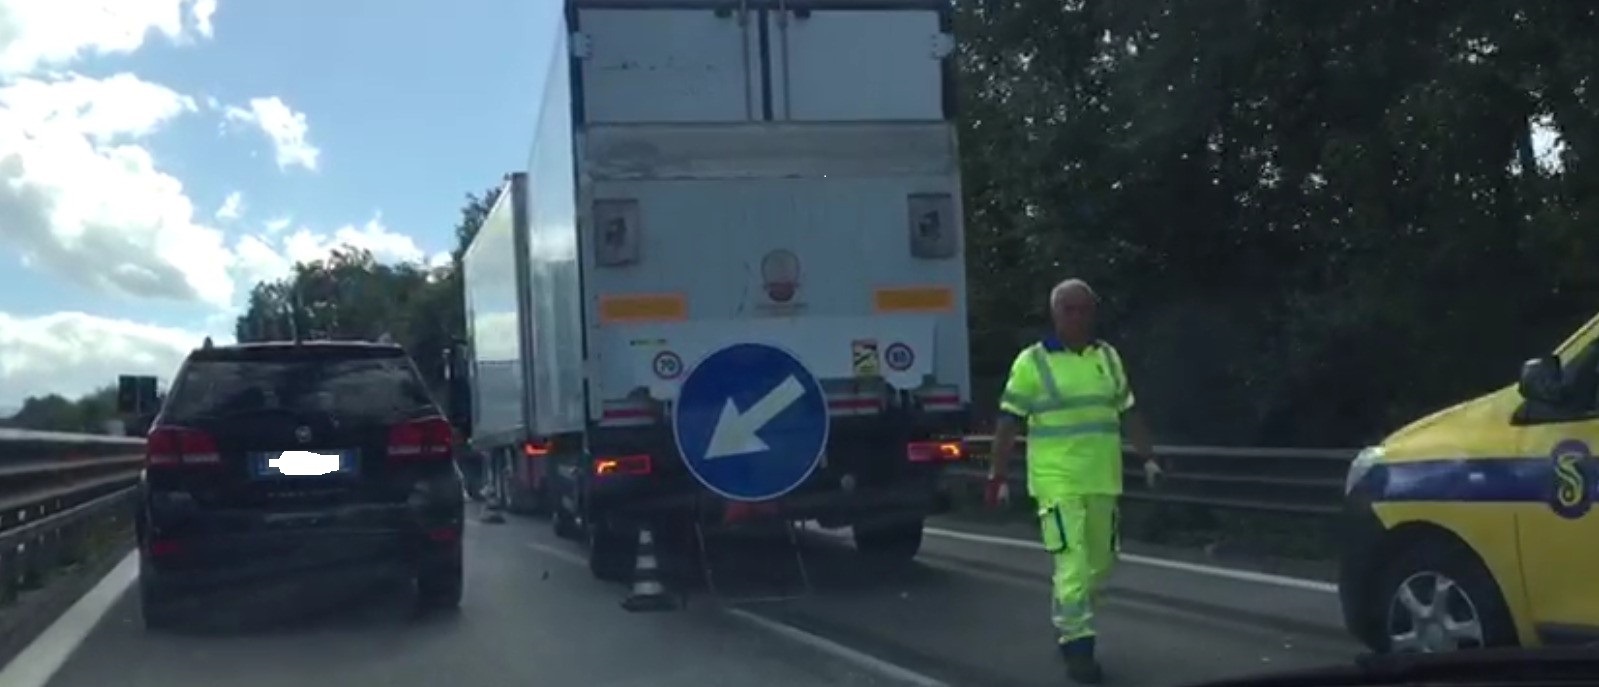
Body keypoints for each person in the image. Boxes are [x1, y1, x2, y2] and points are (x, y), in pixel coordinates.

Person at [985, 278, 1162, 684]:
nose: (1078, 317)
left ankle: (1072, 620)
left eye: (1084, 310)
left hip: (1103, 478)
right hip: (1056, 479)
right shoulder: (1033, 362)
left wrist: (1148, 458)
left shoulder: (1108, 358)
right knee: (1072, 563)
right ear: (1054, 314)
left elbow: (1129, 411)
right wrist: (997, 475)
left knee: (1101, 563)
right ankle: (1078, 646)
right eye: (1069, 310)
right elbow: (1008, 422)